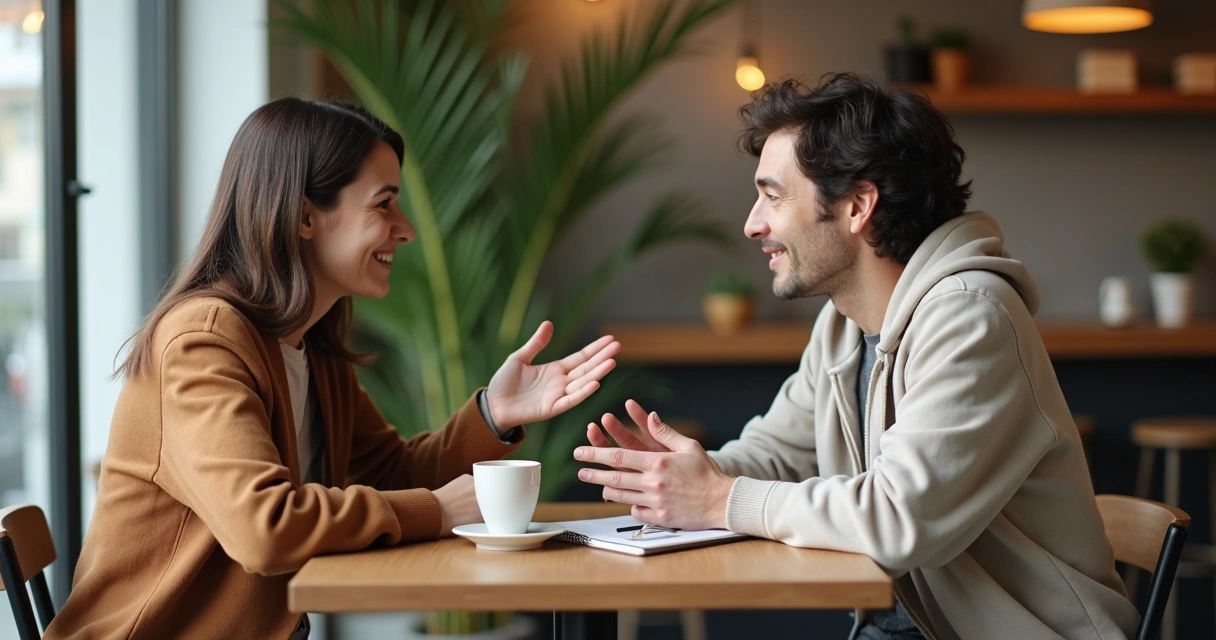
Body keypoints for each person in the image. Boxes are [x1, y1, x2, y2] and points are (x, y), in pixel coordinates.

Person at [573, 74, 1139, 639]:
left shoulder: (971, 317)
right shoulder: (844, 322)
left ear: (856, 206)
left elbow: (899, 519)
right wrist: (680, 476)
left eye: (772, 196)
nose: (752, 224)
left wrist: (720, 499)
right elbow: (778, 453)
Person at [46, 98, 619, 640]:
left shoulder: (307, 346)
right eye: (383, 202)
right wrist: (438, 510)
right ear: (304, 217)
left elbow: (389, 473)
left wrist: (493, 414)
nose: (406, 228)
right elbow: (263, 529)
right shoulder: (204, 342)